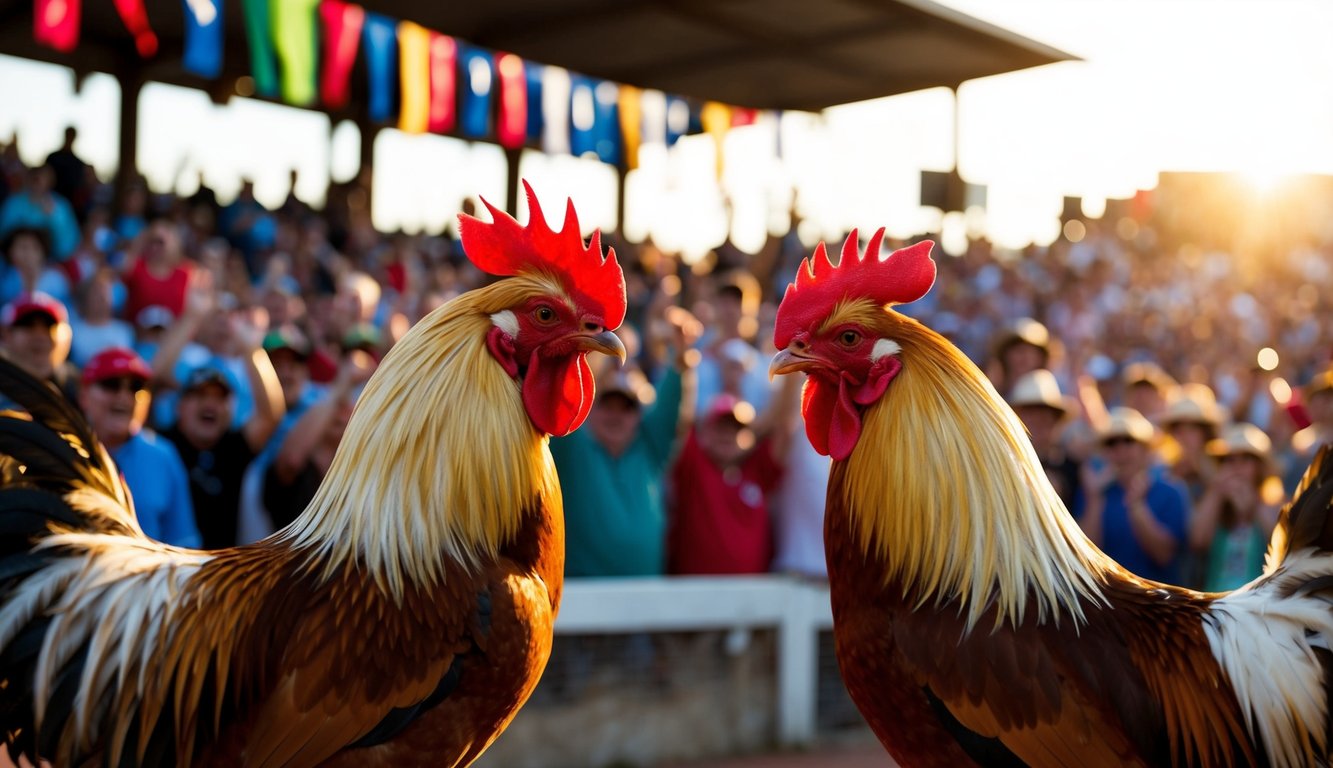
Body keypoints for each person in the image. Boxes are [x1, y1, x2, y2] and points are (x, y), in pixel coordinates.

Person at [550, 307, 699, 577]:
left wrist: (680, 352)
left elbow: (671, 402)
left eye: (626, 408)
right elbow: (564, 398)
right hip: (583, 598)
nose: (616, 416)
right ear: (590, 410)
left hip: (646, 600)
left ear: (638, 415)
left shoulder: (649, 449)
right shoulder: (571, 449)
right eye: (607, 406)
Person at [162, 346, 284, 549]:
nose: (210, 404)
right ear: (179, 406)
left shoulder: (233, 448)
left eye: (220, 397)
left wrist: (252, 350)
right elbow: (154, 378)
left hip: (220, 575)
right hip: (166, 570)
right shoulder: (161, 446)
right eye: (200, 395)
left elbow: (270, 416)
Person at [78, 347, 200, 548]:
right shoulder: (61, 449)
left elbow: (183, 543)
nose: (124, 396)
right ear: (84, 395)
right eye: (111, 384)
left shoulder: (163, 456)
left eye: (136, 387)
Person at [1077, 407, 1190, 584]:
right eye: (1112, 443)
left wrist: (1137, 507)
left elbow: (1163, 556)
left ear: (1146, 450)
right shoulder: (1094, 493)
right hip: (1109, 603)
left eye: (1129, 441)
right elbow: (1085, 557)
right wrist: (1094, 498)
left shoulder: (1172, 492)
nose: (1121, 450)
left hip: (1157, 604)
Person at [262, 350, 374, 529]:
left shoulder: (360, 476)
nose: (342, 411)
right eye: (337, 407)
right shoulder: (297, 470)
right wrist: (339, 388)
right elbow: (291, 460)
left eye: (348, 404)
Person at [1189, 423, 1283, 592]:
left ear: (1259, 467)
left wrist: (1254, 505)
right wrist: (1216, 492)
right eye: (1229, 459)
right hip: (1217, 604)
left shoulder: (1275, 505)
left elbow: (1281, 545)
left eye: (1246, 459)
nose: (1237, 466)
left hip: (1258, 607)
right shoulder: (1215, 503)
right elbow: (1197, 540)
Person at [1007, 368, 1081, 510]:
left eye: (1044, 411)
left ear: (1056, 419)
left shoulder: (1075, 468)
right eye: (1030, 411)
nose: (1038, 418)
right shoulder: (1004, 464)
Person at [0, 290, 78, 403]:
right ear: (6, 334)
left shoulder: (81, 388)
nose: (40, 336)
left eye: (49, 326)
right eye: (28, 325)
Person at [0, 164, 80, 261]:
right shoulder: (14, 202)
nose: (38, 183)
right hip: (13, 261)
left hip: (48, 263)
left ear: (50, 182)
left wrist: (54, 217)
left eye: (42, 179)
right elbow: (3, 235)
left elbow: (67, 248)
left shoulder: (60, 206)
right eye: (35, 178)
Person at [68, 268, 134, 367]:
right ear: (86, 298)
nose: (102, 297)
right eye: (96, 293)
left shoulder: (125, 331)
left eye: (106, 292)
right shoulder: (73, 331)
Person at [44, 127, 89, 213]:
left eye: (71, 136)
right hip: (50, 201)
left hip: (71, 205)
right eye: (69, 135)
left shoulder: (78, 163)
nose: (70, 138)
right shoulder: (53, 158)